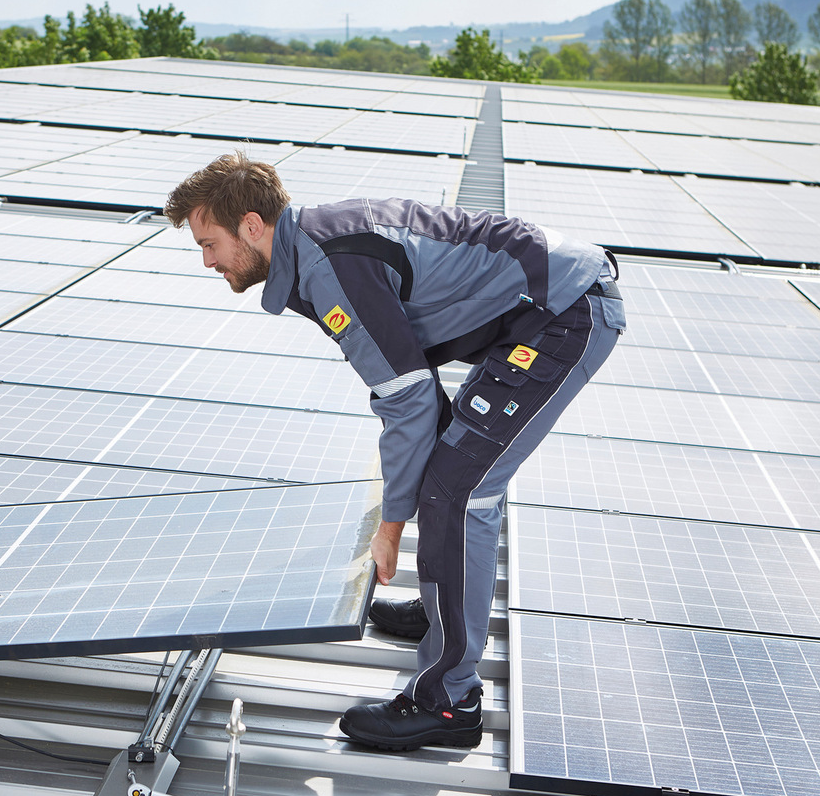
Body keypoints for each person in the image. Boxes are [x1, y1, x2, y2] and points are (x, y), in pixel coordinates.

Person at [164, 153, 624, 752]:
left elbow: (405, 400)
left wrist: (391, 526)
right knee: (446, 474)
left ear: (252, 227)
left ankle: (450, 703)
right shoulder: (314, 250)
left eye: (209, 243)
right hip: (534, 312)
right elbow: (414, 384)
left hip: (564, 313)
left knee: (458, 492)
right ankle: (443, 603)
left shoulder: (329, 265)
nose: (206, 261)